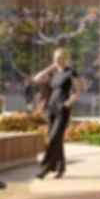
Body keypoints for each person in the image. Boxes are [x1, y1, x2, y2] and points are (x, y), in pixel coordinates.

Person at [30, 48, 81, 179]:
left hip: (63, 110)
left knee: (53, 138)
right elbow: (36, 78)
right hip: (51, 109)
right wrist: (51, 67)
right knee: (56, 139)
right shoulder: (54, 73)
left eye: (60, 58)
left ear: (65, 58)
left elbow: (78, 91)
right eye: (55, 58)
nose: (57, 60)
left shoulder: (71, 72)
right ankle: (61, 167)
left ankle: (46, 167)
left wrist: (68, 103)